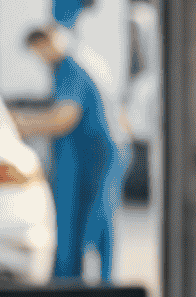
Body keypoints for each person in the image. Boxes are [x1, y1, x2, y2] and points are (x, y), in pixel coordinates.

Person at [17, 24, 128, 282]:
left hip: (101, 153)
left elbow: (65, 118)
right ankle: (90, 280)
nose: (40, 57)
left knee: (96, 218)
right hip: (98, 152)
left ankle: (100, 284)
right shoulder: (79, 62)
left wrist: (21, 124)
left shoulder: (69, 67)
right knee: (91, 218)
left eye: (40, 50)